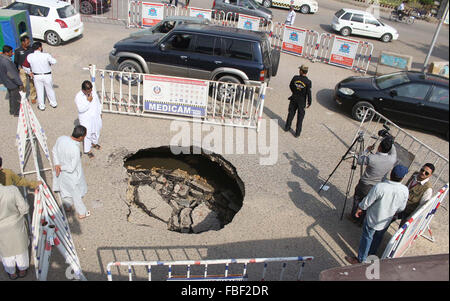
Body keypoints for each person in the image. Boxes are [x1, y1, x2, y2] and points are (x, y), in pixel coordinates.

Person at [345, 165, 409, 264]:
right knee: (378, 238)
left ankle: (361, 259)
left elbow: (368, 201)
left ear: (391, 173)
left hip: (372, 218)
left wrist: (360, 208)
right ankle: (371, 255)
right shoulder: (404, 190)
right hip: (386, 220)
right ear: (402, 177)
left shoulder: (380, 186)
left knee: (367, 237)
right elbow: (401, 208)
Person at [348, 136, 397, 225]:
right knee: (369, 203)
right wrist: (390, 141)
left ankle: (354, 217)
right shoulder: (392, 159)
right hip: (378, 186)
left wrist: (366, 150)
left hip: (364, 185)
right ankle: (362, 220)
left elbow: (359, 160)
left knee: (358, 200)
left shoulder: (372, 158)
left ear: (379, 147)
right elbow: (393, 150)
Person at [52, 125, 90, 219]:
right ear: (80, 137)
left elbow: (54, 151)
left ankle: (68, 206)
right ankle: (82, 213)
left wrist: (57, 164)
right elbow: (72, 167)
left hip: (60, 173)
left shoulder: (61, 139)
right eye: (84, 136)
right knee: (76, 194)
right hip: (71, 175)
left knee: (64, 190)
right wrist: (61, 167)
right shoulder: (75, 149)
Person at [0, 183, 30, 280]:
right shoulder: (12, 190)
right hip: (15, 224)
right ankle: (22, 269)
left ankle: (11, 272)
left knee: (6, 252)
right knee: (20, 249)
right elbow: (25, 208)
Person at [397, 163, 435, 227]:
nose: (423, 173)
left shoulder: (428, 189)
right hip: (400, 204)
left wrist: (410, 218)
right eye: (422, 170)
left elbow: (421, 206)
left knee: (401, 231)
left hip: (409, 212)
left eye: (426, 173)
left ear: (430, 175)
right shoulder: (415, 175)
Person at [74, 80, 102, 159]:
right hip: (86, 118)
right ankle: (88, 150)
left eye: (91, 90)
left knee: (97, 130)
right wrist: (88, 101)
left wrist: (100, 112)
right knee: (87, 134)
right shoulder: (78, 96)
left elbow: (98, 103)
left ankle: (94, 143)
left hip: (95, 116)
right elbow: (81, 109)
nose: (90, 92)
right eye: (88, 91)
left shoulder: (93, 92)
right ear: (83, 90)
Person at [26, 42, 57, 111]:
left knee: (39, 91)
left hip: (36, 76)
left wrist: (29, 72)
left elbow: (25, 65)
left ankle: (41, 106)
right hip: (47, 75)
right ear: (40, 48)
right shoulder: (46, 55)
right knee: (50, 89)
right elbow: (54, 62)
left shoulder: (30, 56)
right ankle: (53, 103)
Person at [284, 64, 312, 138]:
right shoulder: (308, 82)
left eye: (300, 70)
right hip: (302, 101)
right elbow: (308, 92)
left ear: (301, 71)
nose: (299, 70)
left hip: (294, 98)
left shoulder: (295, 78)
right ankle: (297, 133)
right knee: (300, 117)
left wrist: (294, 92)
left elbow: (291, 85)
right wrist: (309, 102)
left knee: (291, 113)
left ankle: (287, 127)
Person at [0, 45, 24, 117]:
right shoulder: (7, 62)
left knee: (11, 97)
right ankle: (17, 112)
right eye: (11, 52)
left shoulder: (1, 58)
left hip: (6, 81)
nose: (12, 53)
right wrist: (20, 83)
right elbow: (12, 75)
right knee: (16, 98)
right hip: (12, 83)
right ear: (6, 53)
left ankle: (12, 110)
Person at [14, 36, 36, 104]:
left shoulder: (31, 49)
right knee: (23, 84)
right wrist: (17, 70)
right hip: (22, 70)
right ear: (22, 42)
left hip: (30, 69)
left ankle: (33, 97)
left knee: (32, 83)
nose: (28, 43)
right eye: (27, 42)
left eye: (29, 42)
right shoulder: (18, 51)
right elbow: (16, 61)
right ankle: (24, 98)